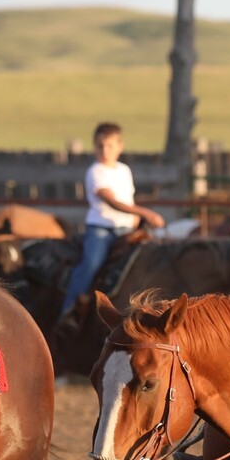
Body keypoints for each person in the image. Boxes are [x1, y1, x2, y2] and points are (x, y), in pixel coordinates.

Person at [57, 122, 164, 318]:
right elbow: (111, 201)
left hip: (126, 229)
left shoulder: (124, 170)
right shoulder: (95, 171)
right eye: (100, 146)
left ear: (120, 147)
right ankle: (69, 310)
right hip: (101, 229)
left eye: (109, 146)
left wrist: (135, 220)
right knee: (91, 263)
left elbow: (126, 199)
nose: (104, 150)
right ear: (94, 147)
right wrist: (144, 213)